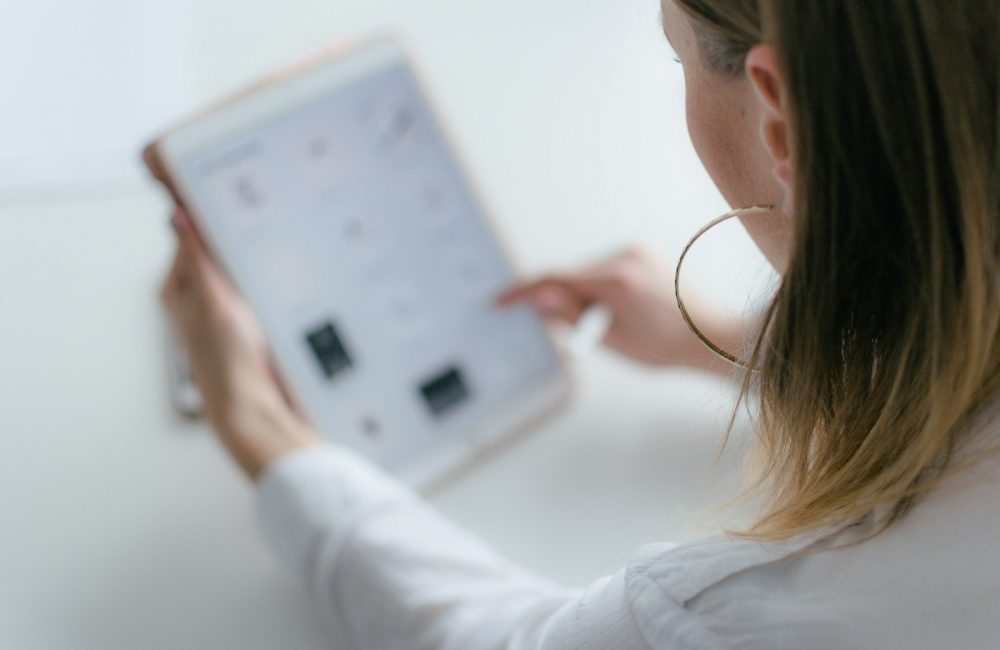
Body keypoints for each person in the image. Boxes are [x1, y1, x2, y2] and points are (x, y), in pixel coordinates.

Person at [161, 0, 1000, 647]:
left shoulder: (752, 616)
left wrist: (258, 422)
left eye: (680, 56)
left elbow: (490, 641)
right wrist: (714, 339)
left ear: (778, 114)